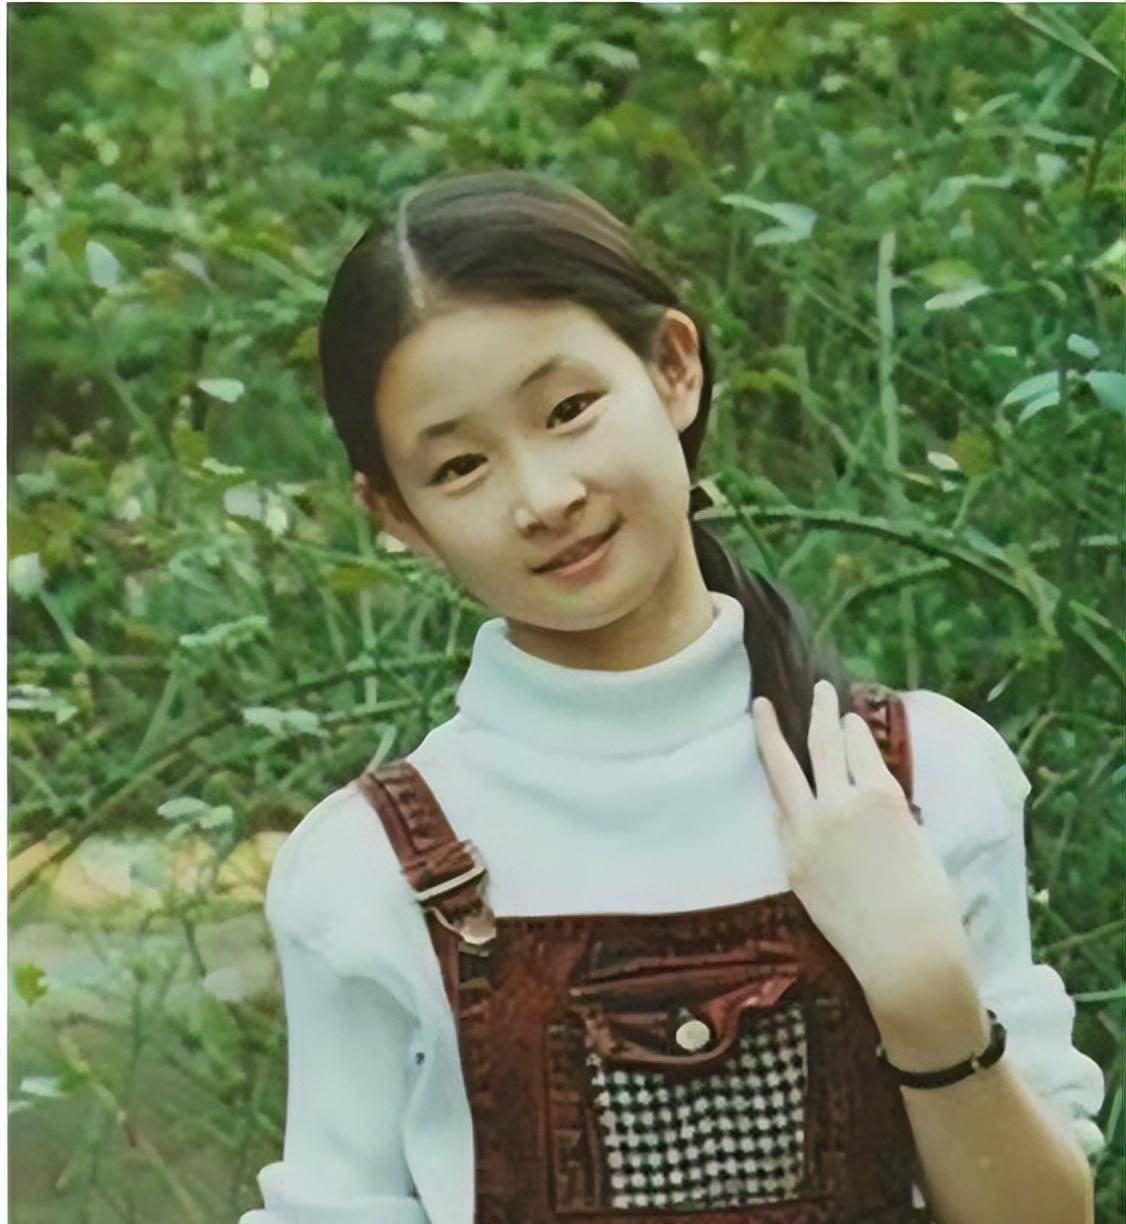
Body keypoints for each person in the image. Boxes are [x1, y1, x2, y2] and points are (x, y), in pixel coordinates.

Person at [239, 170, 1104, 1224]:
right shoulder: (363, 872)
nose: (544, 497)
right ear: (395, 514)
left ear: (673, 368)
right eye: (461, 467)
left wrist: (926, 996)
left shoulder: (921, 778)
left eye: (569, 410)